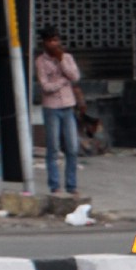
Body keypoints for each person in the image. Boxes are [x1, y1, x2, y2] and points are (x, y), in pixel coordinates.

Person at [35, 25, 82, 195]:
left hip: (68, 106)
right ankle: (54, 185)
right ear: (45, 43)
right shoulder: (41, 61)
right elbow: (46, 86)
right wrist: (63, 82)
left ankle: (71, 185)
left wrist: (61, 60)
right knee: (53, 147)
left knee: (72, 147)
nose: (54, 44)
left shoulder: (67, 57)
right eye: (51, 41)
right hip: (51, 108)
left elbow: (75, 76)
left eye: (56, 40)